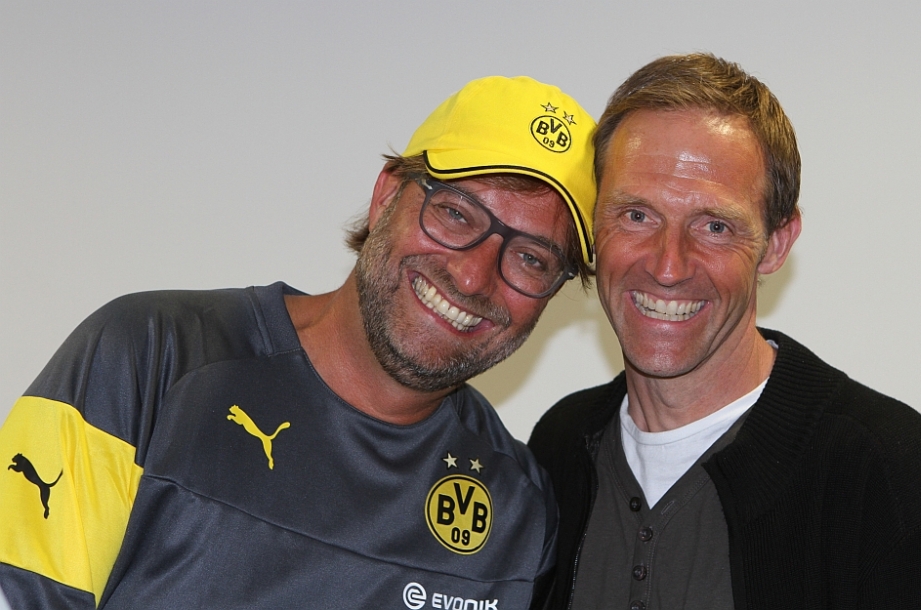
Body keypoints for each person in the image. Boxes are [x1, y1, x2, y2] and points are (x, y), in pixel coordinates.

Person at [0, 75, 597, 609]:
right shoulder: (150, 357)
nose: (472, 277)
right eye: (457, 214)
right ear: (387, 195)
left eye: (532, 258)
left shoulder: (519, 512)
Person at [529, 54, 921, 609]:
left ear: (775, 243)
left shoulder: (884, 471)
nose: (668, 266)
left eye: (714, 226)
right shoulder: (557, 450)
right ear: (592, 224)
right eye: (636, 215)